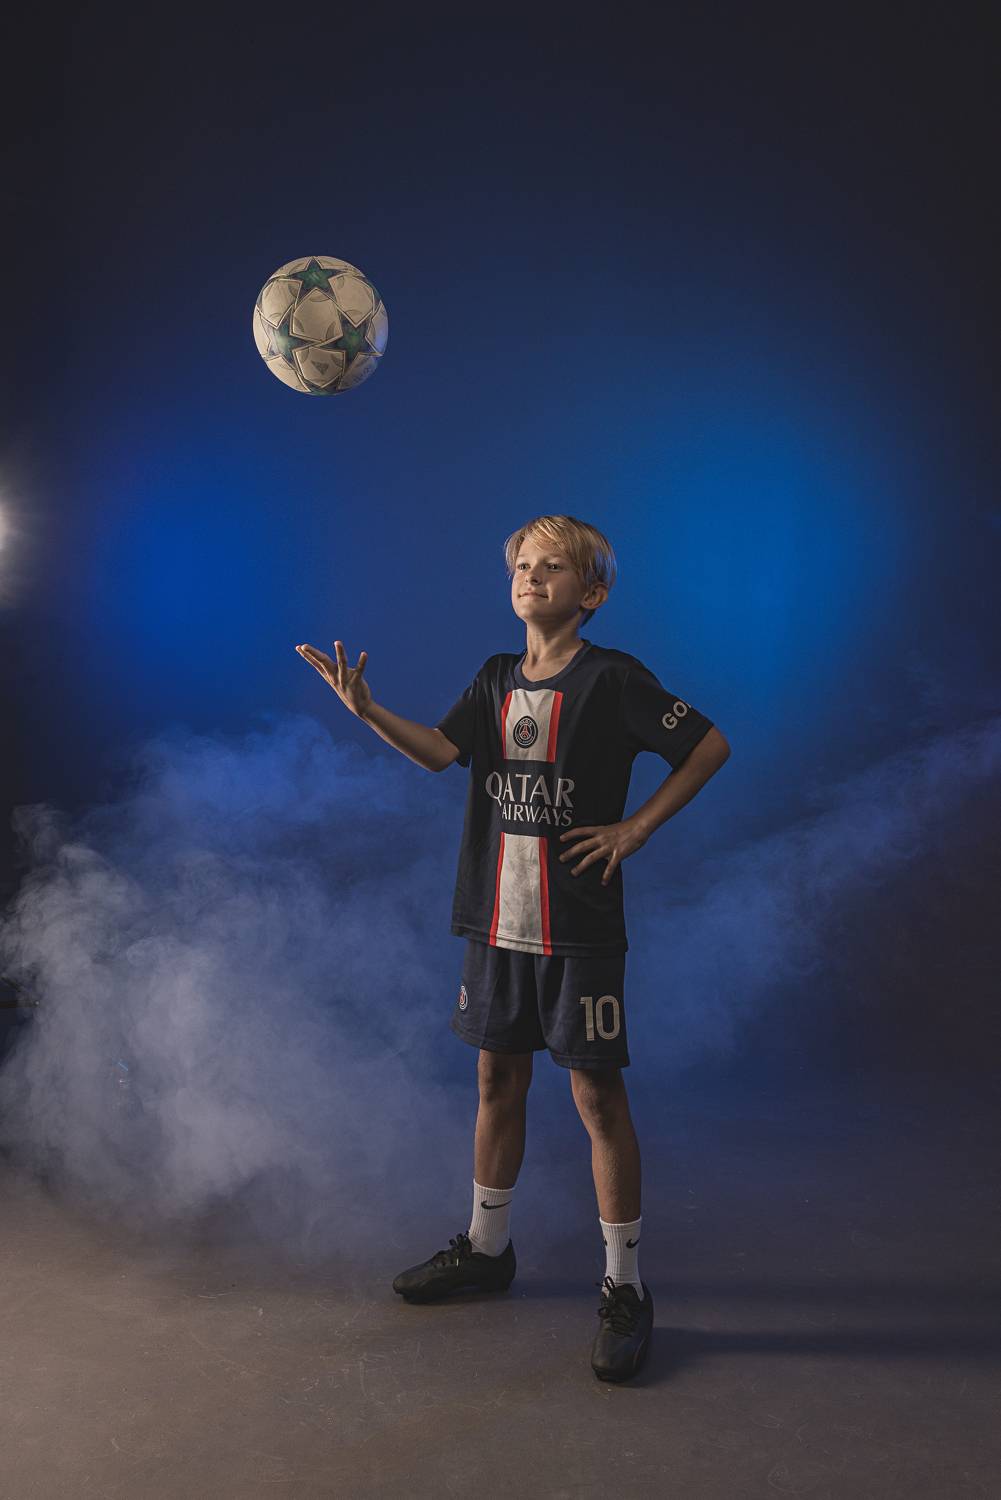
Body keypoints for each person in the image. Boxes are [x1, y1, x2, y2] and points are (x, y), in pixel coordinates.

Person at [295, 513, 730, 1382]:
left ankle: (624, 1287)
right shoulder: (495, 677)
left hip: (578, 924)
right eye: (521, 565)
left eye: (552, 566)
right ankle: (487, 1249)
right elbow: (437, 753)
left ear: (590, 593)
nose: (530, 575)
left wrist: (635, 828)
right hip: (496, 919)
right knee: (496, 1079)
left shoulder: (613, 678)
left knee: (595, 1095)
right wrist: (368, 710)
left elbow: (707, 745)